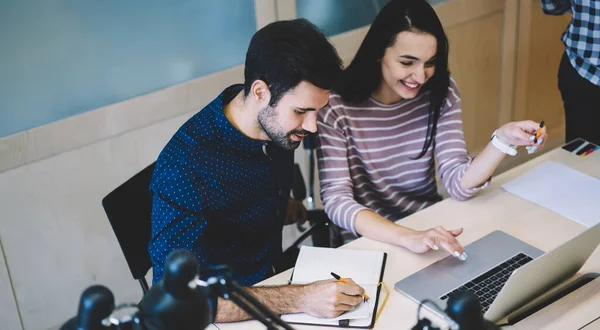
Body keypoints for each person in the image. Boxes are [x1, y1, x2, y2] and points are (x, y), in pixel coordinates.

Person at [148, 19, 364, 322]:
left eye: (318, 110)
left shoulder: (271, 124)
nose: (313, 126)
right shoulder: (184, 167)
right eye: (301, 111)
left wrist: (279, 204)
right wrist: (300, 298)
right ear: (260, 92)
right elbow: (178, 297)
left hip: (274, 279)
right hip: (225, 311)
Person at [316, 0, 547, 259]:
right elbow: (337, 202)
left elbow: (458, 184)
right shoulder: (335, 106)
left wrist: (501, 140)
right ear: (379, 52)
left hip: (428, 225)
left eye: (430, 63)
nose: (420, 76)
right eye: (407, 62)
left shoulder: (441, 91)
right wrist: (408, 237)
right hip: (369, 241)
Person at [541, 0, 600, 145]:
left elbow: (554, 6)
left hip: (584, 69)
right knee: (580, 161)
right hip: (584, 73)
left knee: (581, 161)